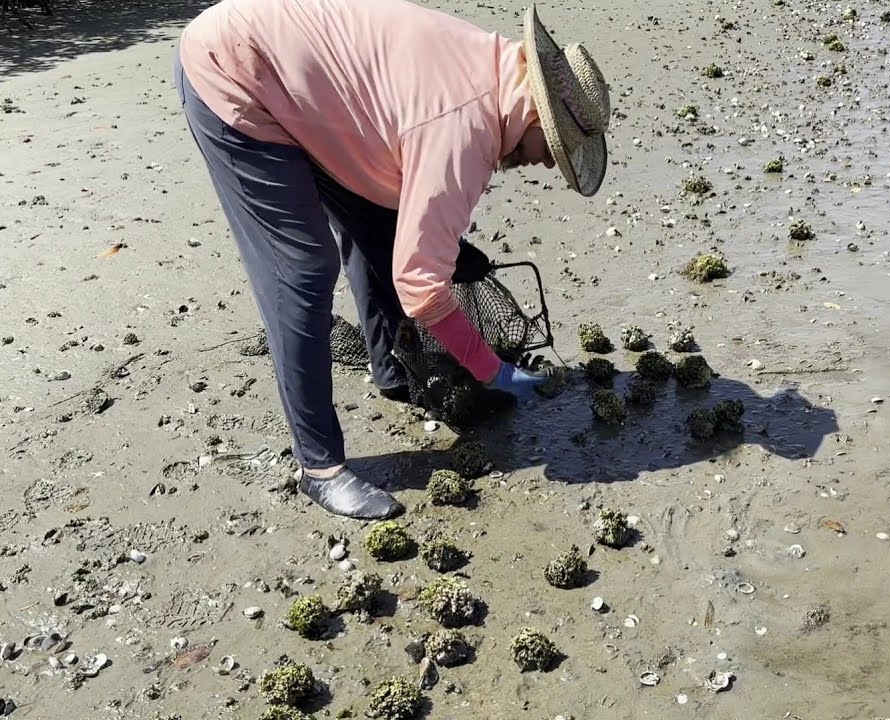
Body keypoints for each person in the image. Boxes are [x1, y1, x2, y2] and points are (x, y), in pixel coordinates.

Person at [172, 0, 611, 520]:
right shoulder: (463, 127)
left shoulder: (493, 65)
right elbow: (420, 286)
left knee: (380, 215)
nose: (542, 162)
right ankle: (320, 468)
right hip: (234, 71)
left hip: (301, 78)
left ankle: (391, 371)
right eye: (551, 149)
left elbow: (400, 187)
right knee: (303, 268)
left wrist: (446, 249)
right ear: (537, 111)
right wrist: (492, 371)